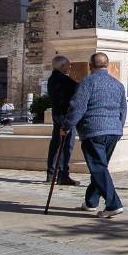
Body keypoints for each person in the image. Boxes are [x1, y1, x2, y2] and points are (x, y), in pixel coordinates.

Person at [62, 52, 128, 218]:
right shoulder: (118, 85)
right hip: (113, 131)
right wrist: (119, 128)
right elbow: (123, 110)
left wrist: (66, 126)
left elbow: (78, 107)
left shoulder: (87, 82)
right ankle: (91, 202)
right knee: (100, 167)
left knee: (98, 167)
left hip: (93, 130)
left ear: (90, 66)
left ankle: (113, 204)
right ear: (107, 65)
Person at [46, 55, 79, 186]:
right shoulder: (63, 80)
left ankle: (51, 174)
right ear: (62, 66)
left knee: (56, 145)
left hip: (57, 116)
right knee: (66, 147)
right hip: (65, 117)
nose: (70, 67)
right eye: (68, 65)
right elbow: (78, 90)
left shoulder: (52, 79)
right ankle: (62, 174)